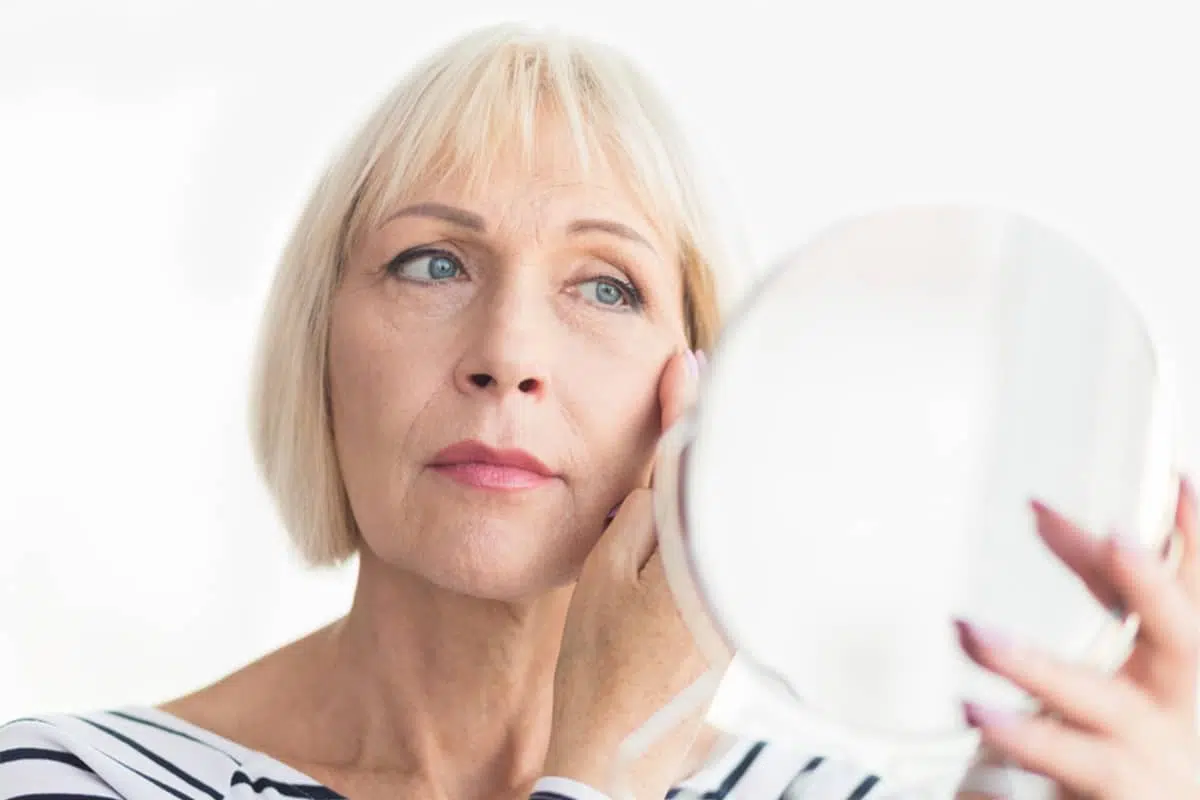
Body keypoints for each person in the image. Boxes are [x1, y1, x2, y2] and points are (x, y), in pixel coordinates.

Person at [3, 21, 1199, 800]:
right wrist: (601, 774)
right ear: (317, 344)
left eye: (604, 284)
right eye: (432, 264)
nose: (507, 355)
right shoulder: (69, 779)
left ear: (701, 386)